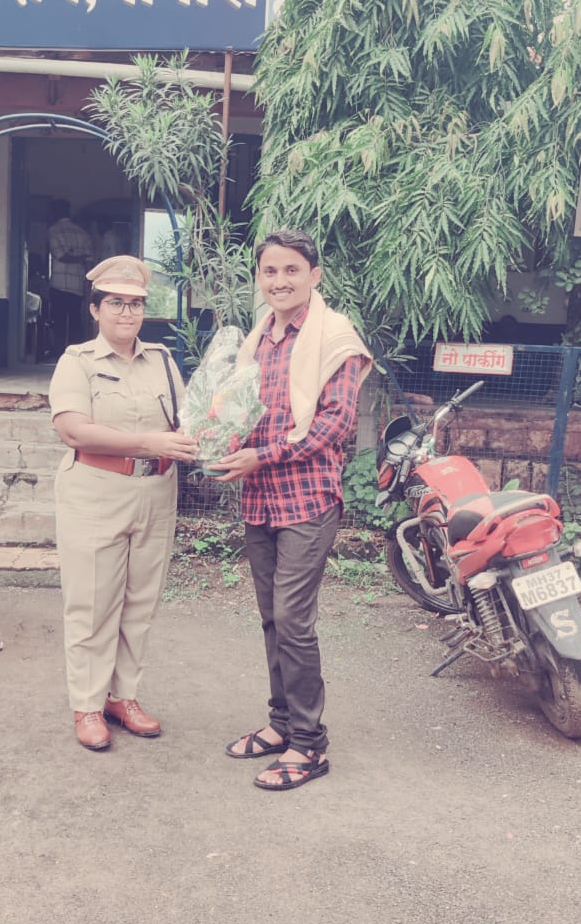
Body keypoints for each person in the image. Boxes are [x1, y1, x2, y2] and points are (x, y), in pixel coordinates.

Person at [214, 230, 372, 791]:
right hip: (259, 497)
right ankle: (281, 724)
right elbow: (245, 409)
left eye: (291, 270)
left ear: (315, 275)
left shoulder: (335, 338)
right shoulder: (259, 337)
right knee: (271, 617)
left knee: (294, 622)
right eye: (269, 271)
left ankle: (310, 744)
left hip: (307, 499)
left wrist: (264, 454)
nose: (279, 281)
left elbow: (335, 424)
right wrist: (227, 439)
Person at [48, 255, 198, 751]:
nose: (127, 313)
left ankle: (123, 696)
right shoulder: (77, 362)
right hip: (96, 490)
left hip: (155, 491)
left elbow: (186, 419)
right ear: (95, 309)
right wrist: (148, 443)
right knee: (92, 603)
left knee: (140, 601)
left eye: (135, 304)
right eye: (115, 303)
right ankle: (87, 705)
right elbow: (73, 429)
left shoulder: (162, 360)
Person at [47, 199, 93, 351]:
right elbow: (89, 262)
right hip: (77, 285)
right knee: (75, 322)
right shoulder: (83, 233)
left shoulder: (53, 231)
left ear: (55, 213)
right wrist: (88, 284)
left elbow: (60, 256)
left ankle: (60, 354)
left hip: (59, 285)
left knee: (58, 322)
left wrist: (72, 256)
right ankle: (75, 354)